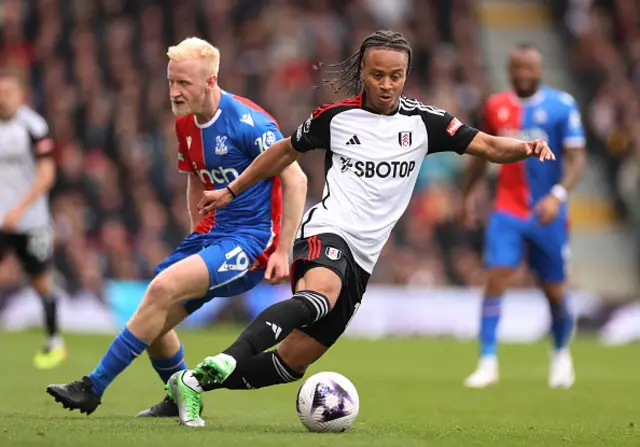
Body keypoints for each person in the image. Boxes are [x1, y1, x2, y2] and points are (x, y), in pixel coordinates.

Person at [164, 30, 556, 428]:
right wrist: (231, 190)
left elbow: (489, 146)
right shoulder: (334, 118)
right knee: (322, 295)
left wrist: (527, 147)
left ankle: (191, 382)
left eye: (396, 76)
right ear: (362, 72)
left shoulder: (426, 123)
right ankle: (227, 356)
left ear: (406, 75)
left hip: (364, 258)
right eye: (378, 75)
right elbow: (281, 152)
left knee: (291, 363)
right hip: (327, 230)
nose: (387, 85)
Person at [45, 37, 308, 422]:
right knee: (152, 316)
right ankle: (177, 398)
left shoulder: (251, 123)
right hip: (212, 237)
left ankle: (92, 387)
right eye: (171, 81)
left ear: (210, 81)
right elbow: (195, 182)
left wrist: (283, 251)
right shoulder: (185, 123)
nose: (174, 91)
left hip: (251, 242)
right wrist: (196, 234)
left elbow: (296, 180)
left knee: (162, 289)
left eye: (183, 83)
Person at [459, 43, 586, 389]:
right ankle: (487, 361)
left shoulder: (562, 105)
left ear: (539, 69)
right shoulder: (496, 106)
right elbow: (479, 152)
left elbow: (576, 158)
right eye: (518, 67)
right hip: (508, 209)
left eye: (530, 67)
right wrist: (468, 194)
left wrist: (558, 196)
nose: (524, 74)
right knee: (496, 277)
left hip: (549, 212)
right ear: (510, 68)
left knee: (555, 291)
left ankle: (560, 353)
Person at [0, 70, 64, 370]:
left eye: (8, 93)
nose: (2, 99)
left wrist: (19, 209)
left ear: (20, 95)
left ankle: (54, 340)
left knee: (40, 282)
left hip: (31, 220)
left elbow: (47, 175)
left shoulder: (33, 126)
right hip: (1, 218)